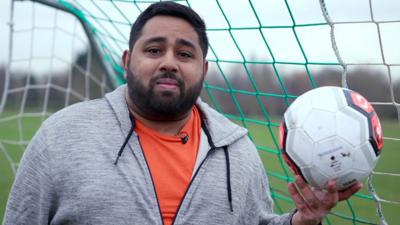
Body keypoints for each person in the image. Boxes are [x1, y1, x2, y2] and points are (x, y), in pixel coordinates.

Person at [4, 2, 362, 225]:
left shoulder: (237, 151)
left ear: (203, 70)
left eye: (185, 54)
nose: (169, 63)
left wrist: (303, 221)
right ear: (128, 61)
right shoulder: (61, 136)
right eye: (155, 49)